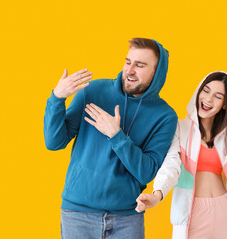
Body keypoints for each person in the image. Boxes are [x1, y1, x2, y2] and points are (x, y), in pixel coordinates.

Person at [44, 38, 178, 239]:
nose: (130, 70)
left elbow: (146, 172)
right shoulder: (93, 91)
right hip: (78, 213)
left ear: (157, 72)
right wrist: (57, 99)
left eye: (140, 65)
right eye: (128, 62)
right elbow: (54, 142)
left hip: (127, 219)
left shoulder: (165, 116)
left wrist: (116, 136)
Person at [136, 53, 227, 239]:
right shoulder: (179, 128)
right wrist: (157, 195)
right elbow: (171, 165)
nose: (208, 99)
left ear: (225, 104)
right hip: (192, 215)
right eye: (205, 91)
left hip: (226, 211)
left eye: (218, 96)